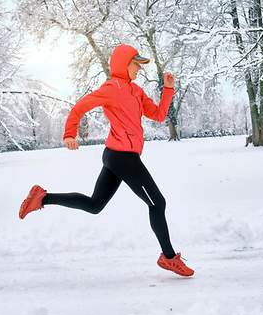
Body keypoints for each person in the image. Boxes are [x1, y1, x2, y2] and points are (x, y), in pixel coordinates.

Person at [18, 44, 194, 277]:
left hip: (117, 156)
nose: (139, 69)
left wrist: (168, 89)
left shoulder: (136, 91)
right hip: (122, 157)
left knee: (95, 205)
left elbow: (159, 115)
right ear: (124, 64)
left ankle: (43, 197)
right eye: (136, 64)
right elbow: (80, 107)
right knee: (157, 203)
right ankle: (169, 258)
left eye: (140, 65)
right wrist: (70, 133)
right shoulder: (111, 88)